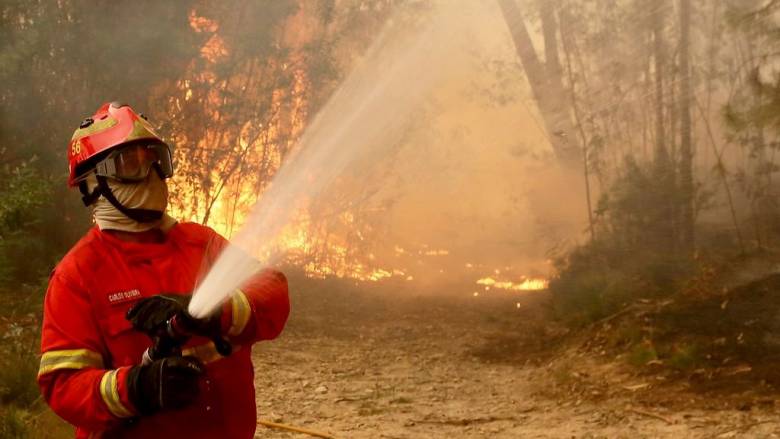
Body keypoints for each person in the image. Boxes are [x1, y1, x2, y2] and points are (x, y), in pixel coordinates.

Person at [37, 102, 290, 438]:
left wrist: (218, 311)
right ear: (92, 184)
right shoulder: (77, 275)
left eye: (156, 161)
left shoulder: (200, 244)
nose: (151, 175)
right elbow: (62, 386)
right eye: (131, 164)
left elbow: (273, 294)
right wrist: (137, 387)